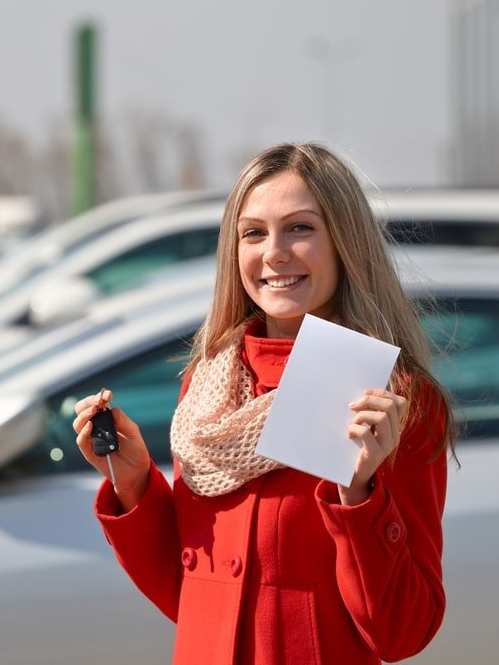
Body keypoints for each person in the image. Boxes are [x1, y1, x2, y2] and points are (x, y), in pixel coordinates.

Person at [72, 142, 457, 664]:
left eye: (300, 227)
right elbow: (191, 599)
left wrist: (360, 494)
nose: (274, 252)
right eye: (253, 232)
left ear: (345, 243)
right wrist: (135, 482)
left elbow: (402, 634)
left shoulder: (391, 398)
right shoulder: (209, 386)